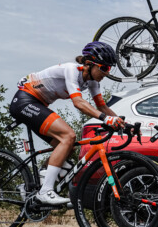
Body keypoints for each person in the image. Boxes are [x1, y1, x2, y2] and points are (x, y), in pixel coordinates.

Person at [9, 41, 122, 205]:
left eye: (109, 68)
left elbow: (102, 106)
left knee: (67, 147)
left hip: (38, 105)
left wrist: (123, 123)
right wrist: (106, 119)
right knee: (68, 136)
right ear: (89, 64)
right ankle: (46, 191)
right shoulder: (72, 70)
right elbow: (79, 103)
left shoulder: (92, 82)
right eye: (104, 68)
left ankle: (35, 184)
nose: (106, 72)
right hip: (25, 101)